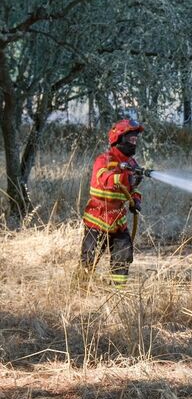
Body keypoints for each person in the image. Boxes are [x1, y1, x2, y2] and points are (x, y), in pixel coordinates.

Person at [76, 118, 145, 287]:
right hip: (97, 219)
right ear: (118, 138)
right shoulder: (104, 159)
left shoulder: (132, 164)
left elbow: (133, 190)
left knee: (124, 254)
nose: (134, 143)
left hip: (118, 221)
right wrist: (123, 176)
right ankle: (81, 286)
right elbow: (102, 181)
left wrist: (135, 200)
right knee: (90, 256)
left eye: (136, 140)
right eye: (131, 139)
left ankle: (118, 291)